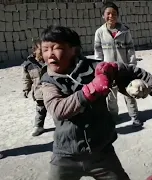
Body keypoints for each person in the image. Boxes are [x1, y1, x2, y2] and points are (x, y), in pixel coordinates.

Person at [40, 25, 129, 180]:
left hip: (101, 152)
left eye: (56, 48)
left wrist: (131, 84)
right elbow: (58, 109)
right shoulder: (48, 81)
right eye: (45, 49)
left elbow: (124, 74)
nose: (50, 55)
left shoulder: (95, 68)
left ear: (74, 50)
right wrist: (90, 90)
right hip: (66, 154)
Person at [94, 2, 143, 126]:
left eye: (114, 13)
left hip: (124, 69)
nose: (111, 16)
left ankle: (134, 116)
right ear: (103, 16)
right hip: (108, 71)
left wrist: (132, 65)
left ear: (118, 15)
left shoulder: (125, 31)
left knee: (130, 94)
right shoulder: (100, 32)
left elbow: (131, 50)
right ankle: (114, 118)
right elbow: (98, 52)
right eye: (108, 13)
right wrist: (99, 70)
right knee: (111, 98)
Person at [21, 39, 47, 136]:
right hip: (39, 92)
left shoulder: (49, 61)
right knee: (40, 110)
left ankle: (62, 126)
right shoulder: (28, 65)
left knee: (56, 109)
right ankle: (38, 126)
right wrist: (26, 89)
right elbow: (26, 79)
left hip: (52, 91)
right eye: (41, 50)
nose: (44, 53)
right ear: (34, 51)